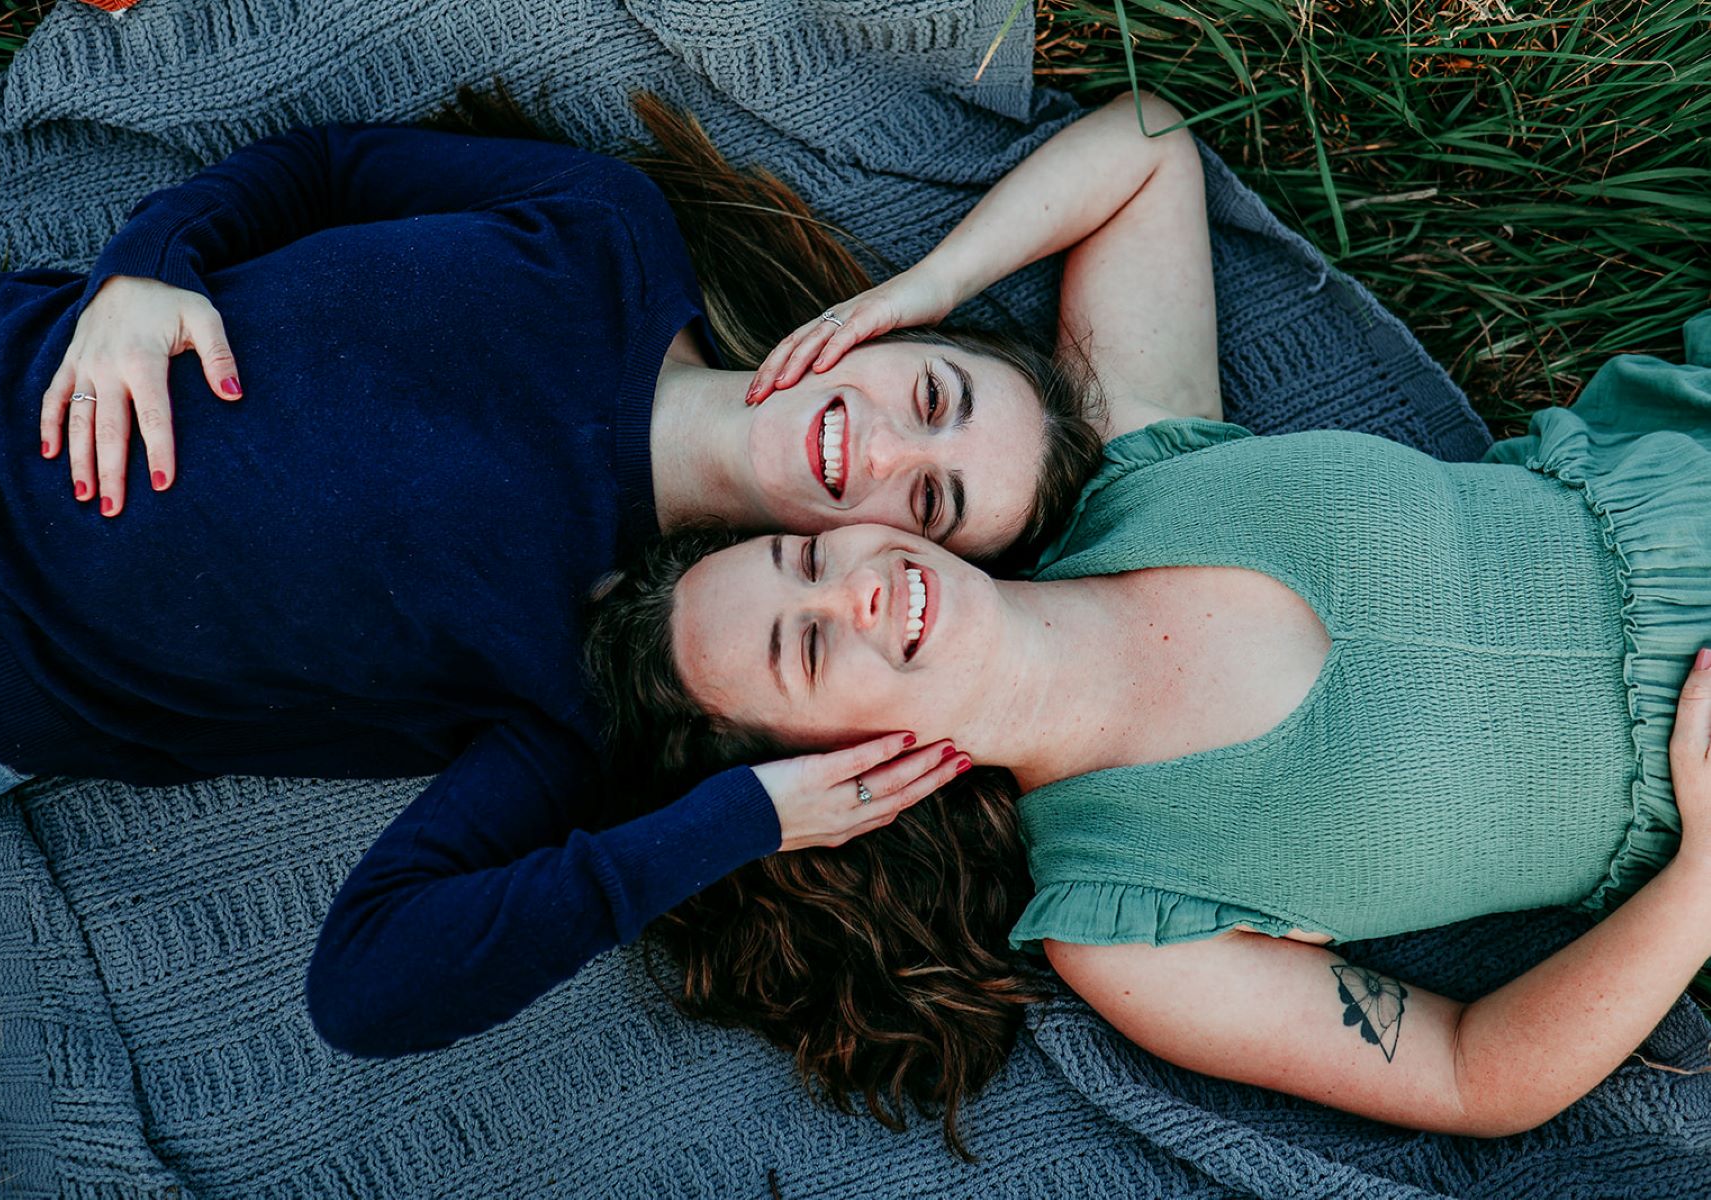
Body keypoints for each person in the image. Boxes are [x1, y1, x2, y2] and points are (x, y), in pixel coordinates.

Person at [0, 90, 1210, 1053]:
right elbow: (329, 166)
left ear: (899, 560)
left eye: (926, 501)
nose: (878, 448)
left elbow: (367, 989)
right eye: (927, 393)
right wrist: (151, 259)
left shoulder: (584, 690)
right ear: (888, 331)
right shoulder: (605, 230)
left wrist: (744, 819)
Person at [580, 139, 1711, 1143]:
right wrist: (1700, 883)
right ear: (839, 777)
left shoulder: (1136, 469)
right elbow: (1473, 1078)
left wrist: (925, 294)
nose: (857, 594)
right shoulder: (1124, 925)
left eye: (810, 559)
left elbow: (1144, 149)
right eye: (810, 653)